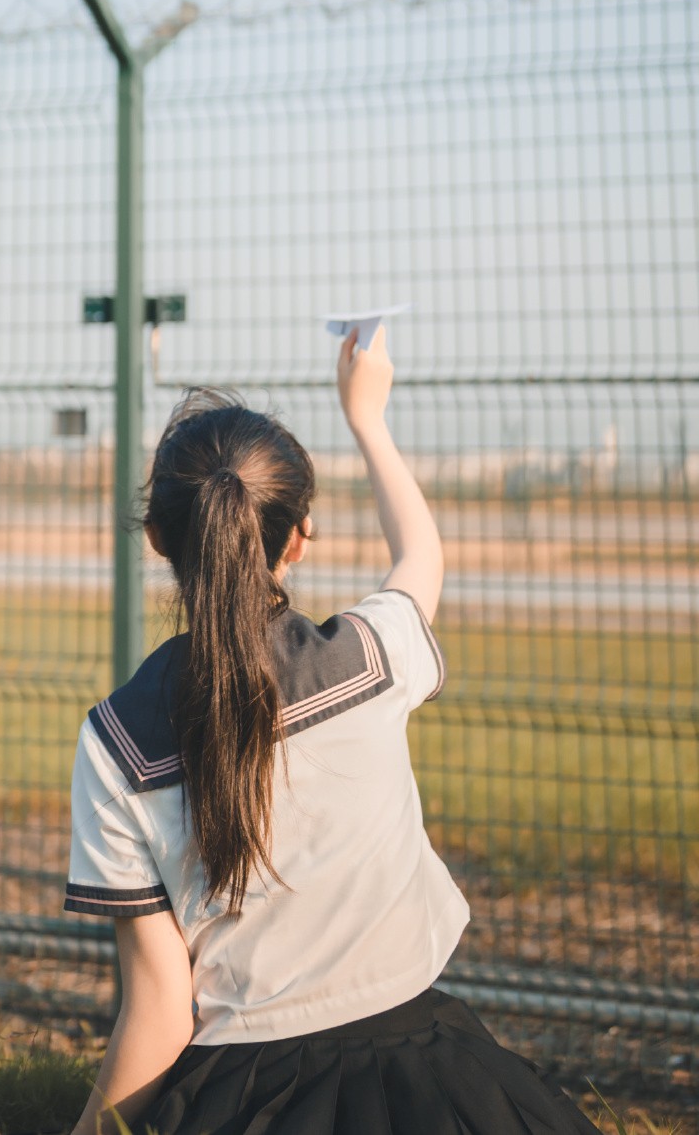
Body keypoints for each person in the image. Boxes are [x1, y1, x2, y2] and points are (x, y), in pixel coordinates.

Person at [64, 326, 599, 1134]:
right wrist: (367, 417)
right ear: (301, 537)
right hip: (434, 1067)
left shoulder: (116, 741)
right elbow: (421, 554)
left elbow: (161, 1013)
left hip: (240, 1095)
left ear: (159, 542)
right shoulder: (372, 658)